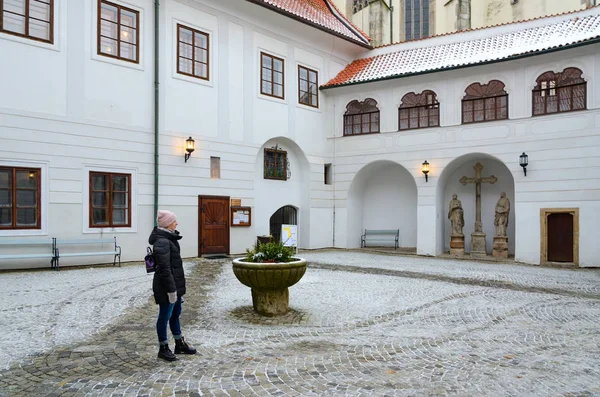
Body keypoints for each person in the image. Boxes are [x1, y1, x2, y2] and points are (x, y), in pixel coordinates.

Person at [150, 210, 197, 361]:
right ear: (167, 223)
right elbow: (165, 269)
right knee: (164, 316)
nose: (176, 223)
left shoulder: (169, 238)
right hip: (166, 286)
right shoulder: (162, 241)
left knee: (175, 314)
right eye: (174, 221)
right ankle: (163, 348)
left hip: (174, 285)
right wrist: (171, 291)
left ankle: (179, 343)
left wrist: (178, 292)